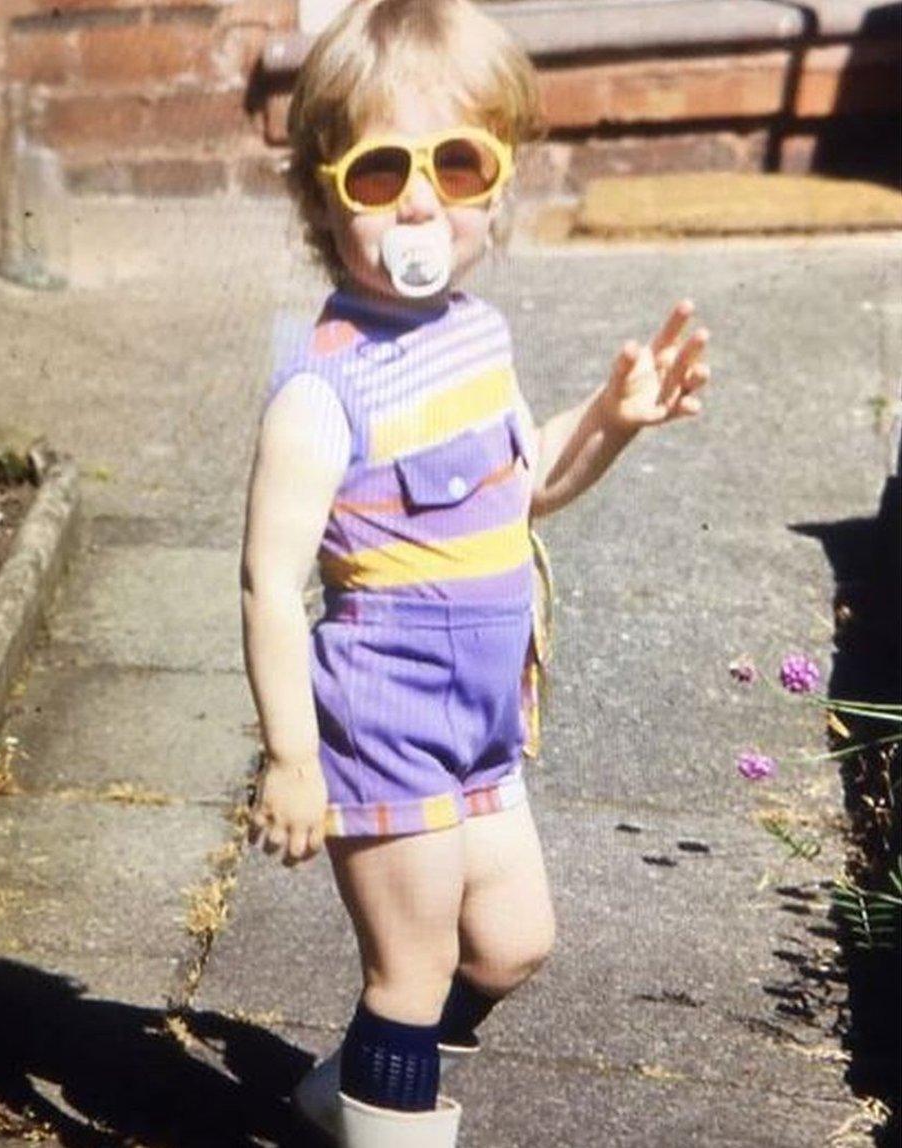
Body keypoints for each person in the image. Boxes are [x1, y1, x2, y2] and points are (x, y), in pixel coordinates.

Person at [239, 2, 710, 1144]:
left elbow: (525, 482)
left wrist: (612, 417)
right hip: (390, 711)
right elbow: (267, 581)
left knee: (509, 941)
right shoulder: (323, 389)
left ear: (495, 184)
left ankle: (350, 1090)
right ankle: (388, 1108)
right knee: (412, 964)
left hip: (482, 715)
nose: (419, 200)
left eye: (455, 163)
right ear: (322, 194)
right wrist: (293, 756)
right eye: (379, 171)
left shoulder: (473, 331)